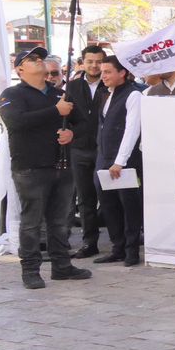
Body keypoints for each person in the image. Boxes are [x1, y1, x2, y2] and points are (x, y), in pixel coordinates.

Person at [0, 50, 91, 289]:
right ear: (20, 69)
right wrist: (55, 111)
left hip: (62, 165)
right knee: (31, 223)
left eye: (40, 58)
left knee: (59, 221)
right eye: (32, 59)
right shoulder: (12, 94)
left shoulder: (60, 94)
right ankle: (30, 270)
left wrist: (71, 133)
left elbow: (83, 123)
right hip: (30, 167)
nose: (38, 61)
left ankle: (62, 266)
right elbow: (16, 122)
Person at [94, 56, 145, 266]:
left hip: (125, 160)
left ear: (122, 73)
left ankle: (131, 250)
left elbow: (132, 130)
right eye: (102, 72)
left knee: (129, 205)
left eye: (107, 72)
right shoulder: (107, 94)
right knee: (108, 204)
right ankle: (118, 248)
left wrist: (120, 161)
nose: (103, 76)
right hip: (104, 158)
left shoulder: (133, 94)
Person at [63, 45, 108, 257]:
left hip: (104, 149)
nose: (94, 66)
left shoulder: (110, 84)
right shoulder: (72, 86)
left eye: (98, 61)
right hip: (79, 149)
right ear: (83, 62)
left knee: (109, 197)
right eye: (90, 61)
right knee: (85, 199)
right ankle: (90, 242)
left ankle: (120, 241)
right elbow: (67, 118)